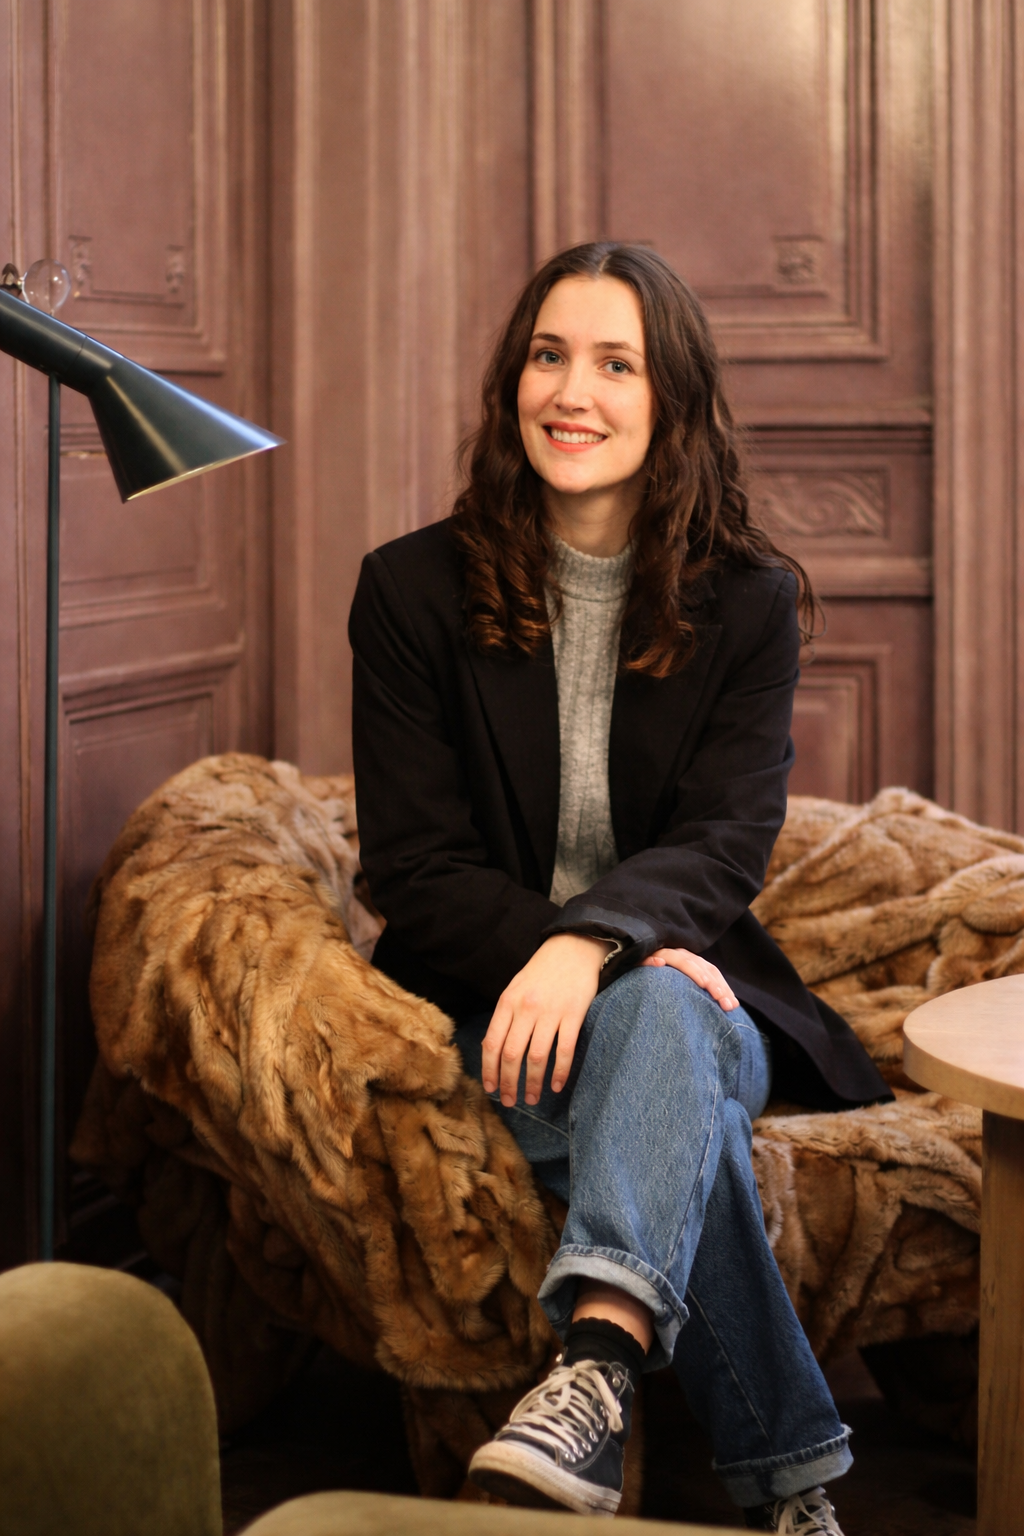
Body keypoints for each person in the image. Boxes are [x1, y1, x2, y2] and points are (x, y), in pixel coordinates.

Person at [349, 242, 891, 1533]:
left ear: (671, 401)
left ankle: (590, 1371)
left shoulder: (749, 602)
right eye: (548, 355)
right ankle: (794, 1481)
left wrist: (603, 942)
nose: (571, 391)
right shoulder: (409, 592)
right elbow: (412, 868)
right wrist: (573, 951)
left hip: (699, 993)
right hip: (489, 1001)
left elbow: (725, 838)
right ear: (511, 383)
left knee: (658, 1016)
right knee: (654, 1047)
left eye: (614, 362)